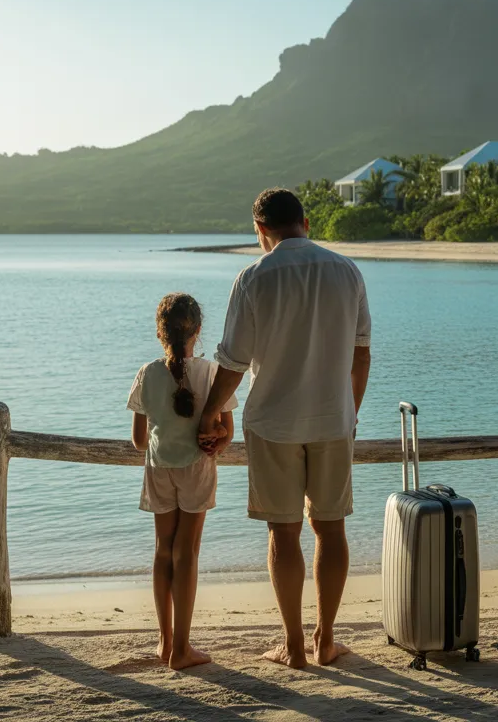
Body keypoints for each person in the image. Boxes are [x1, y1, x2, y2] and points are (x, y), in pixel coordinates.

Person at [199, 188, 371, 669]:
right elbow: (362, 353)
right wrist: (348, 411)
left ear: (260, 230)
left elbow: (232, 363)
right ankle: (327, 639)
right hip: (334, 420)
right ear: (306, 222)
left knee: (284, 531)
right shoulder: (347, 270)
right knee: (331, 529)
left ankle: (294, 645)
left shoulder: (254, 277)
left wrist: (211, 413)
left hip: (273, 422)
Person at [128, 292, 237, 670]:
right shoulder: (211, 373)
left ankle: (165, 641)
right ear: (199, 331)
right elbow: (228, 431)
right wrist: (214, 441)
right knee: (186, 552)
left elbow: (140, 441)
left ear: (160, 331)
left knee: (163, 550)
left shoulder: (147, 373)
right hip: (196, 467)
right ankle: (183, 649)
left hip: (159, 468)